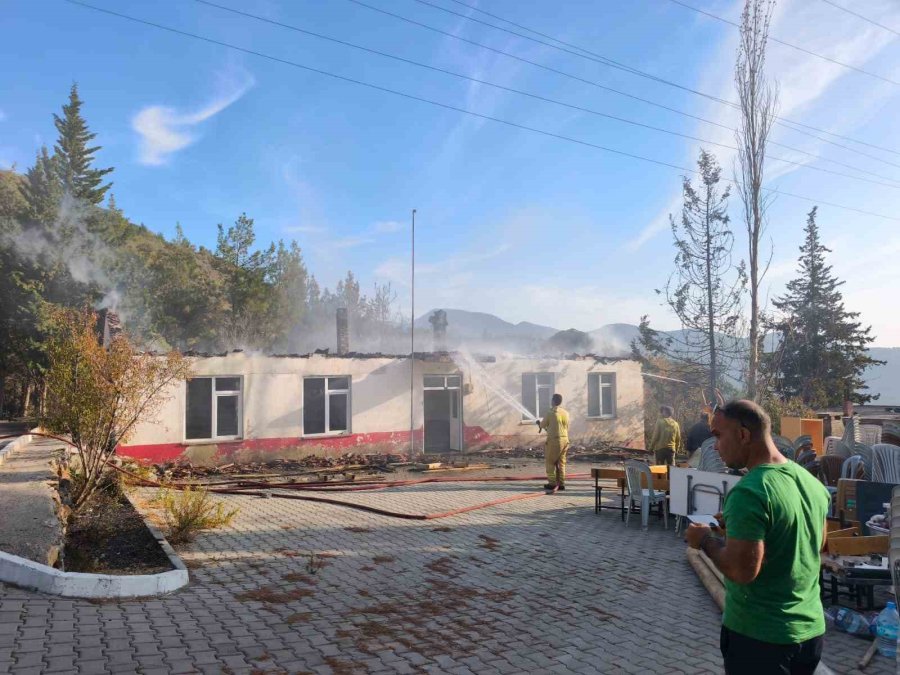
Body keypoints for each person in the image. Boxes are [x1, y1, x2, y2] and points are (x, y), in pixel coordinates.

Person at [686, 400, 830, 675]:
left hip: (761, 640)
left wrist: (703, 540)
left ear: (742, 435)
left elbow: (742, 571)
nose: (715, 446)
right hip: (810, 633)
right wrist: (743, 533)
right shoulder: (811, 482)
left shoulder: (750, 491)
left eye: (718, 435)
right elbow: (816, 543)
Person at [537, 393, 569, 490]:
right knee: (561, 463)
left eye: (551, 399)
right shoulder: (565, 413)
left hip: (555, 441)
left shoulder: (550, 412)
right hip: (565, 440)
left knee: (550, 462)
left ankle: (552, 483)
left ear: (553, 401)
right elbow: (562, 427)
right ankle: (562, 483)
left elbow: (542, 425)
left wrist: (539, 423)